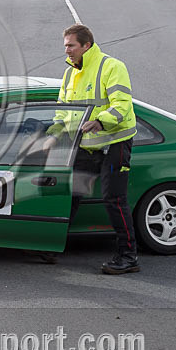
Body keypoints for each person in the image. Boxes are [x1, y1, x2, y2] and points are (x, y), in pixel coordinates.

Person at [44, 24, 138, 274]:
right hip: (86, 146)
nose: (67, 50)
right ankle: (51, 245)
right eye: (65, 45)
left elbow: (122, 105)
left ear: (86, 45)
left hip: (114, 144)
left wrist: (100, 121)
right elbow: (63, 110)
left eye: (71, 45)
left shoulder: (112, 67)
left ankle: (128, 257)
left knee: (114, 199)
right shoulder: (69, 74)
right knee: (70, 194)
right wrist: (54, 135)